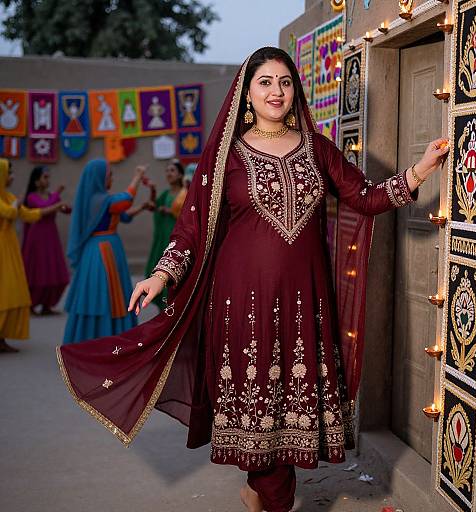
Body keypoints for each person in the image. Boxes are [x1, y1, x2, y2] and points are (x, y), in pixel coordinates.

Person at [57, 47, 449, 512]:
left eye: (285, 82)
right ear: (247, 93)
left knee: (286, 403)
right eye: (265, 82)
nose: (276, 91)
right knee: (258, 400)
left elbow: (363, 198)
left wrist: (422, 168)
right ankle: (272, 498)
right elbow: (192, 226)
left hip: (306, 302)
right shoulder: (226, 156)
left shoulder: (317, 148)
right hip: (241, 303)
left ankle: (259, 492)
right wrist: (162, 275)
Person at [62, 160, 149, 344]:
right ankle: (105, 340)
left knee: (95, 295)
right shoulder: (100, 200)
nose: (111, 177)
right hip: (103, 254)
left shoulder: (99, 200)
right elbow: (125, 201)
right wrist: (137, 176)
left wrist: (142, 208)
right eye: (109, 174)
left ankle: (98, 337)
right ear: (99, 177)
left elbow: (123, 216)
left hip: (99, 251)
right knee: (104, 297)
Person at [0, 159, 65, 352]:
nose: (12, 177)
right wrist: (17, 203)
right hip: (2, 248)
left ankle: (2, 336)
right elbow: (9, 213)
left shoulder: (9, 196)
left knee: (14, 291)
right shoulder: (10, 199)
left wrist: (29, 208)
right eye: (9, 173)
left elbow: (27, 214)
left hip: (9, 247)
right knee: (5, 291)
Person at [22, 165, 70, 315]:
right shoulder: (31, 197)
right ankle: (31, 305)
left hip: (51, 237)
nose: (48, 180)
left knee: (53, 271)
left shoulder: (51, 197)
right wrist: (58, 196)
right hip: (37, 239)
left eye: (48, 177)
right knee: (38, 272)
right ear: (36, 181)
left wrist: (65, 207)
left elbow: (62, 208)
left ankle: (46, 305)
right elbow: (43, 208)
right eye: (45, 177)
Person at [144, 158, 187, 309]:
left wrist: (170, 211)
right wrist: (152, 190)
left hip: (180, 241)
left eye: (172, 170)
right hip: (164, 239)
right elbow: (153, 207)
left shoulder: (185, 194)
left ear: (181, 175)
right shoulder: (164, 194)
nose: (169, 173)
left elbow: (190, 214)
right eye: (167, 171)